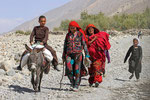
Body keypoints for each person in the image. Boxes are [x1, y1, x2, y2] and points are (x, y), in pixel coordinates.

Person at [62, 21, 90, 91]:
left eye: (73, 27)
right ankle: (72, 82)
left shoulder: (80, 34)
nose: (72, 29)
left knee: (77, 70)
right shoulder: (68, 35)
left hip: (78, 55)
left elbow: (84, 45)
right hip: (69, 55)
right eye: (70, 27)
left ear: (76, 27)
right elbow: (65, 46)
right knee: (69, 69)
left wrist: (87, 55)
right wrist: (63, 56)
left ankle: (76, 85)